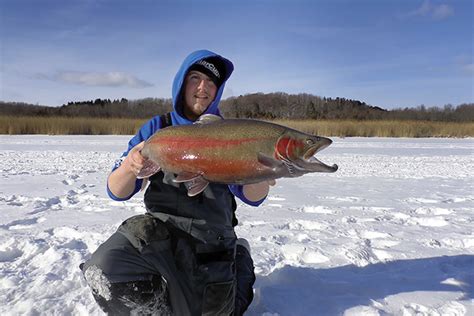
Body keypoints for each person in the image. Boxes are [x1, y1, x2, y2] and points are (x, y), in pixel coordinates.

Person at [81, 49, 274, 315]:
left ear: (218, 90)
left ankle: (240, 260)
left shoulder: (231, 134)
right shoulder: (157, 128)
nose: (203, 87)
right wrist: (130, 165)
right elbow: (116, 191)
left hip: (212, 239)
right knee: (103, 268)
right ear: (182, 83)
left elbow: (254, 197)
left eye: (211, 82)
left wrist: (262, 171)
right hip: (161, 234)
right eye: (195, 78)